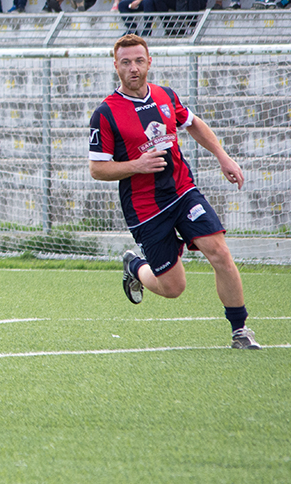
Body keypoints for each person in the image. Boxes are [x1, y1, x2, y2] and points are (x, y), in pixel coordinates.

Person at [91, 33, 259, 350]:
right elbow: (97, 168)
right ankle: (135, 267)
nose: (133, 68)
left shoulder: (165, 96)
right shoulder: (106, 113)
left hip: (182, 191)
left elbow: (193, 123)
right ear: (115, 66)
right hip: (145, 207)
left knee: (220, 253)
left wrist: (223, 157)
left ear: (149, 61)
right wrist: (136, 165)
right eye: (125, 62)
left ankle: (240, 331)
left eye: (139, 60)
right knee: (173, 287)